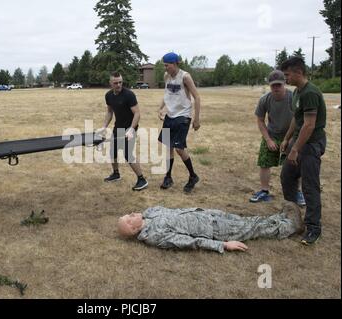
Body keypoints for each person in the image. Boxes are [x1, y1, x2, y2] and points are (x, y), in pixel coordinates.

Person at [117, 202, 304, 253]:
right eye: (130, 217)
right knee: (252, 228)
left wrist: (205, 211)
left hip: (207, 215)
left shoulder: (150, 212)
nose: (133, 213)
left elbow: (178, 211)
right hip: (214, 231)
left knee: (248, 221)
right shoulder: (155, 236)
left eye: (130, 213)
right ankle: (290, 227)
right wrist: (222, 245)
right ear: (134, 230)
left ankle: (279, 218)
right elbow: (190, 242)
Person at [279, 57, 327, 245]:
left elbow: (309, 125)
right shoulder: (297, 92)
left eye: (287, 75)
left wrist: (295, 150)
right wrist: (287, 139)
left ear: (299, 72)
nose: (286, 79)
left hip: (311, 144)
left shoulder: (310, 93)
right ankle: (293, 216)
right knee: (287, 177)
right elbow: (297, 119)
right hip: (298, 142)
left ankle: (313, 228)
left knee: (309, 186)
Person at [250, 70, 305, 206]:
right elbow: (260, 121)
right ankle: (264, 191)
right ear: (269, 85)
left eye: (279, 85)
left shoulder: (293, 98)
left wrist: (290, 140)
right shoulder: (265, 99)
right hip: (272, 135)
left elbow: (299, 120)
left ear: (284, 83)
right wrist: (268, 140)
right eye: (273, 85)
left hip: (291, 136)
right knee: (264, 163)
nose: (276, 88)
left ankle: (297, 192)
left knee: (294, 164)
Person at [157, 52, 201, 193]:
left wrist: (196, 118)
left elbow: (197, 96)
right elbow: (167, 94)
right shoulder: (166, 76)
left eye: (167, 65)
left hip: (183, 116)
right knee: (168, 147)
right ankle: (168, 177)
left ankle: (193, 176)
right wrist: (160, 108)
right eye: (164, 65)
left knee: (179, 148)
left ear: (175, 63)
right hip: (170, 115)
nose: (165, 68)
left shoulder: (185, 77)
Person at [98, 72, 148, 191]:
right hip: (118, 127)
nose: (119, 84)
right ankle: (116, 174)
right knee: (112, 152)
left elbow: (137, 113)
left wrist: (131, 129)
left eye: (120, 82)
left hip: (130, 128)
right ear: (110, 83)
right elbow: (110, 112)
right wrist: (104, 126)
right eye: (115, 83)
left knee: (127, 154)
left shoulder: (129, 95)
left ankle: (142, 179)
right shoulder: (109, 95)